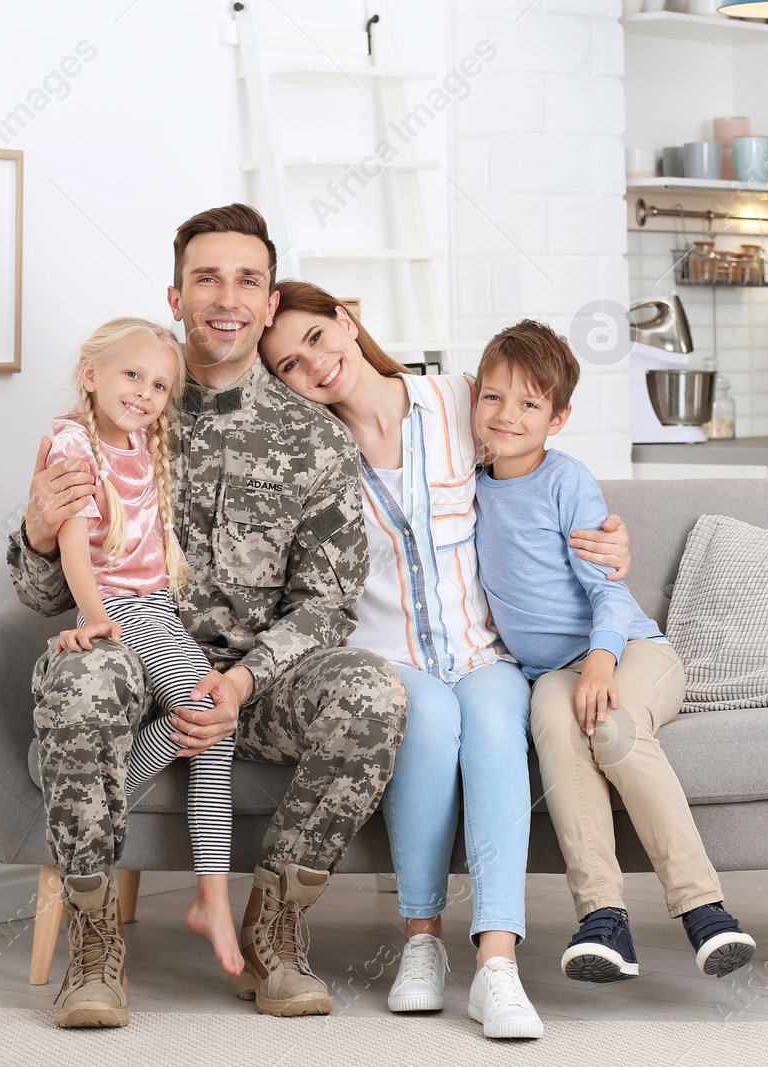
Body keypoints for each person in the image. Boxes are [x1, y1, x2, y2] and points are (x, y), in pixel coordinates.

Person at [8, 204, 407, 1027]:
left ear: (267, 304)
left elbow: (326, 604)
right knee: (80, 677)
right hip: (130, 666)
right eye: (207, 278)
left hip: (250, 692)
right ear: (177, 293)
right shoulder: (129, 400)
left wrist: (239, 680)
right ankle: (92, 947)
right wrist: (39, 535)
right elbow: (42, 596)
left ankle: (277, 927)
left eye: (247, 280)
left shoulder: (314, 438)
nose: (226, 297)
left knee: (373, 693)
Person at [259, 282, 632, 1040]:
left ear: (347, 321)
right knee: (426, 720)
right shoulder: (310, 458)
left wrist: (605, 541)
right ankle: (421, 943)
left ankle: (498, 964)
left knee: (497, 722)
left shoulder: (458, 400)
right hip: (386, 661)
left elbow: (539, 465)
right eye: (290, 365)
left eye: (317, 339)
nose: (315, 366)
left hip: (480, 650)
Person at [469, 319, 757, 984]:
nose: (507, 415)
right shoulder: (468, 485)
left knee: (615, 729)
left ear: (559, 416)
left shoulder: (568, 483)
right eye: (493, 397)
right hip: (549, 673)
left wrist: (602, 659)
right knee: (558, 731)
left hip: (630, 648)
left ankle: (703, 908)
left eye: (529, 403)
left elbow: (607, 590)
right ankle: (603, 919)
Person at [42, 317, 242, 994]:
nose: (146, 391)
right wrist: (99, 622)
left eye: (159, 384)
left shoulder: (146, 440)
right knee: (211, 713)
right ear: (91, 373)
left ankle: (103, 814)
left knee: (211, 723)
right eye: (133, 374)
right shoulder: (73, 441)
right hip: (124, 614)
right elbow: (74, 546)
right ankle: (209, 898)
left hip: (158, 607)